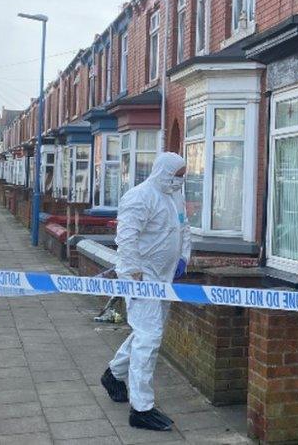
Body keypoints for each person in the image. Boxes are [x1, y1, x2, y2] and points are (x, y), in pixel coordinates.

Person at [101, 152, 191, 431]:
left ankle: (114, 374)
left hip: (164, 277)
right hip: (142, 277)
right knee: (149, 338)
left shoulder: (175, 196)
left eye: (182, 177)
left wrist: (183, 257)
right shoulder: (140, 196)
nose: (179, 181)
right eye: (176, 176)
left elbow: (183, 226)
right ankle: (141, 408)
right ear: (163, 171)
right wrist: (133, 272)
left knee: (147, 332)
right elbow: (126, 236)